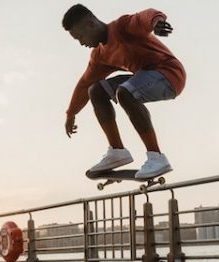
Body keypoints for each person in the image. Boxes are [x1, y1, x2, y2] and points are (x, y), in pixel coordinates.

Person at [62, 4, 186, 178]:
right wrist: (71, 113)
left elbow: (144, 16)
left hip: (170, 75)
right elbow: (84, 84)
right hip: (145, 77)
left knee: (125, 92)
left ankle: (157, 157)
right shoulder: (99, 56)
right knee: (96, 90)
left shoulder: (121, 28)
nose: (82, 43)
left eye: (80, 37)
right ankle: (117, 151)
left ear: (90, 24)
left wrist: (157, 22)